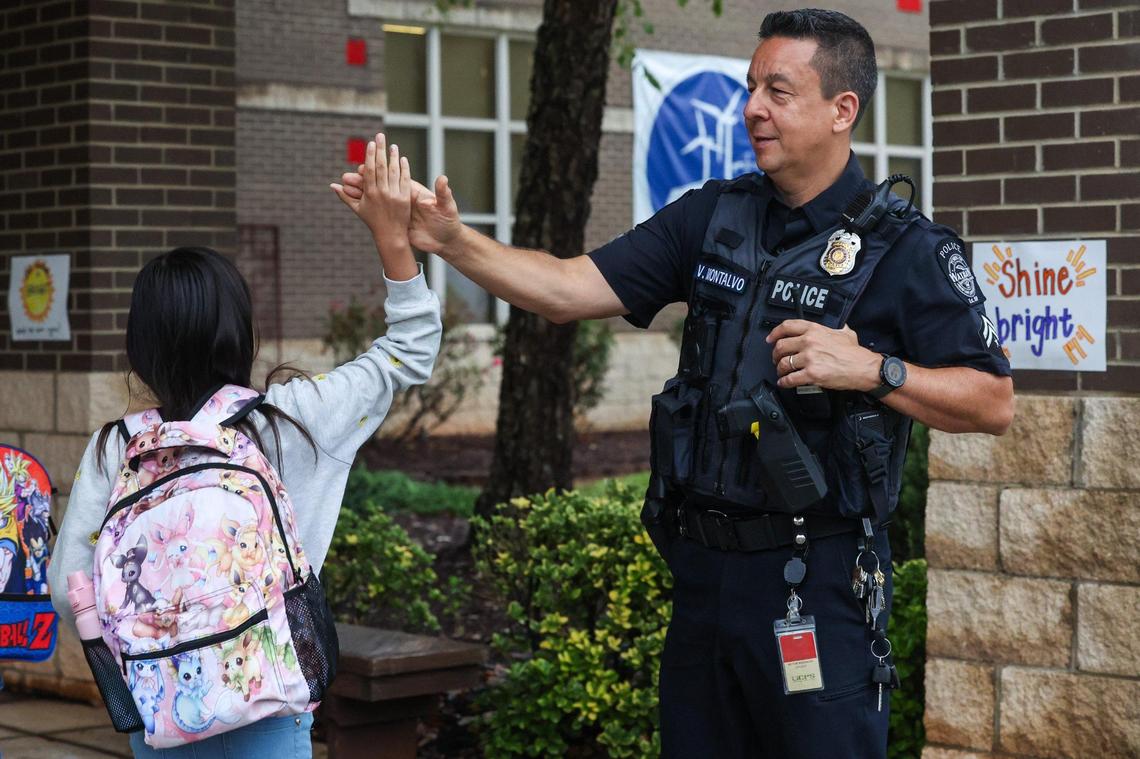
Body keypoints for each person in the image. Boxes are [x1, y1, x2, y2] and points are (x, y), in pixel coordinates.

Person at [343, 9, 1013, 758]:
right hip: (705, 580)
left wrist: (872, 369)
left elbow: (992, 400)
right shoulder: (713, 215)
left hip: (816, 582)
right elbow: (567, 288)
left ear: (841, 110)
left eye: (778, 91)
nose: (753, 106)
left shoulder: (908, 251)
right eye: (750, 86)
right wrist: (453, 241)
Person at [49, 134, 441, 758]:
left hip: (162, 717)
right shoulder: (292, 420)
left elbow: (67, 590)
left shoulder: (116, 449)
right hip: (270, 703)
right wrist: (395, 240)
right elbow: (409, 350)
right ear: (242, 331)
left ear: (139, 348)